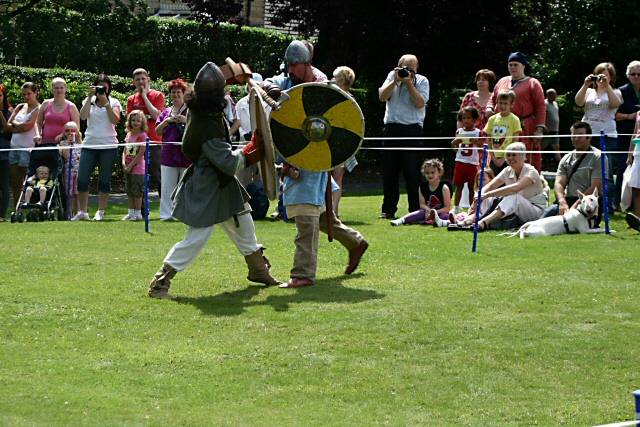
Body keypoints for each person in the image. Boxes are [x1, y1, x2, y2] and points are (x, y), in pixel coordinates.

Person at [148, 62, 281, 299]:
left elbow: (223, 76)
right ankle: (160, 282)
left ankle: (259, 271)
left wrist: (247, 80)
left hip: (222, 184)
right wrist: (249, 152)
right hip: (207, 185)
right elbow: (227, 162)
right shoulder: (206, 122)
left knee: (245, 224)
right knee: (197, 238)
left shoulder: (202, 109)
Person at [267, 40, 368, 289]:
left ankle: (303, 274)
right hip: (298, 155)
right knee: (321, 217)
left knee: (305, 216)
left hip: (315, 157)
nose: (290, 70)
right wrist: (268, 87)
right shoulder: (288, 81)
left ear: (306, 64)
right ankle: (355, 242)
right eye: (288, 65)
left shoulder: (322, 85)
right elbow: (269, 85)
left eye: (295, 65)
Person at [378, 54, 430, 219]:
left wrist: (408, 83)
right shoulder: (391, 77)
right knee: (389, 172)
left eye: (412, 69)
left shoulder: (422, 81)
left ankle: (415, 209)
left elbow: (420, 103)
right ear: (398, 67)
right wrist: (395, 80)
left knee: (413, 173)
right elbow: (382, 96)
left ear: (417, 68)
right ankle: (388, 209)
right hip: (392, 129)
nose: (408, 72)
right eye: (405, 68)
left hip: (412, 130)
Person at [575, 62, 622, 214]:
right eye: (599, 74)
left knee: (605, 171)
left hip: (607, 135)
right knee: (585, 168)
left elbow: (615, 104)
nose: (601, 78)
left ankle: (607, 206)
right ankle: (585, 204)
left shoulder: (615, 92)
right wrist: (585, 84)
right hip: (588, 135)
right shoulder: (589, 91)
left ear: (611, 77)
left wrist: (607, 86)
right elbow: (578, 102)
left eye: (605, 75)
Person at [73, 74, 122, 221]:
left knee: (104, 180)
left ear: (109, 87)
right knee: (81, 179)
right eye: (99, 85)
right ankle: (82, 211)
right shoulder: (89, 101)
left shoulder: (114, 102)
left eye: (104, 85)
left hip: (108, 146)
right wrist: (89, 98)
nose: (102, 88)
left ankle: (101, 211)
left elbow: (115, 120)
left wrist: (106, 104)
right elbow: (83, 116)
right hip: (89, 145)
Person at [487, 52, 546, 171]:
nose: (512, 67)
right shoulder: (502, 81)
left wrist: (539, 130)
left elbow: (540, 106)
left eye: (515, 64)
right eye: (510, 65)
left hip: (523, 127)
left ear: (523, 66)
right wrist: (489, 108)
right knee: (498, 155)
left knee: (521, 157)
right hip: (501, 126)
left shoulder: (533, 83)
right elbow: (492, 98)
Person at [470, 142, 546, 231]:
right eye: (508, 155)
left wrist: (487, 194)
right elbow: (491, 185)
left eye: (514, 155)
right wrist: (478, 196)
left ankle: (484, 222)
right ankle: (470, 219)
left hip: (536, 212)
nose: (510, 158)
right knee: (486, 195)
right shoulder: (507, 170)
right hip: (516, 210)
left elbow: (515, 188)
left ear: (522, 156)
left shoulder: (531, 172)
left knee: (513, 197)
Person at [547, 121, 603, 227]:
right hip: (567, 200)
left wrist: (576, 205)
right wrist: (562, 202)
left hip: (587, 203)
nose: (576, 138)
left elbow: (596, 186)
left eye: (580, 135)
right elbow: (559, 183)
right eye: (573, 135)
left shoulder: (598, 157)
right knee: (544, 218)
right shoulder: (566, 159)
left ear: (589, 137)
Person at [155, 78, 191, 221]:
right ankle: (166, 214)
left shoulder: (190, 111)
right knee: (167, 186)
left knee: (185, 186)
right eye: (173, 92)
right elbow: (157, 131)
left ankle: (184, 213)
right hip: (168, 153)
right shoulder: (166, 111)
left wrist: (185, 121)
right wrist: (167, 121)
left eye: (178, 92)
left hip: (186, 153)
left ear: (183, 94)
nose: (175, 95)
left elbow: (197, 129)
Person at [126, 68, 165, 197]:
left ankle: (166, 209)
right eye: (137, 80)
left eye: (143, 78)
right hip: (134, 143)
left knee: (159, 176)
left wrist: (144, 96)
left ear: (148, 79)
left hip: (154, 142)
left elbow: (157, 116)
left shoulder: (157, 95)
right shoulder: (131, 99)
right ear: (133, 82)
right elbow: (130, 121)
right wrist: (146, 117)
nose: (141, 82)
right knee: (134, 175)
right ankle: (137, 210)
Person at [330, 65, 359, 218]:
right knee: (335, 178)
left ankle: (333, 211)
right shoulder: (348, 99)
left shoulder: (347, 100)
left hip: (338, 143)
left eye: (334, 77)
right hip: (337, 142)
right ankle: (332, 211)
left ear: (340, 80)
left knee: (336, 177)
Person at [6, 82, 40, 206]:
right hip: (13, 148)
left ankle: (30, 206)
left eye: (29, 94)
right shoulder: (20, 106)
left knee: (29, 181)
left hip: (28, 149)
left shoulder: (39, 108)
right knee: (15, 182)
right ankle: (17, 207)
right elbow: (7, 126)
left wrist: (16, 125)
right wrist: (18, 127)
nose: (26, 97)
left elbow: (28, 126)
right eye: (24, 94)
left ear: (36, 93)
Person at [390, 158, 451, 226]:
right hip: (427, 212)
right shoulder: (422, 187)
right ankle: (400, 220)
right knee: (420, 212)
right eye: (427, 173)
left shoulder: (444, 187)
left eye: (432, 172)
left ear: (439, 172)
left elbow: (447, 208)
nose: (430, 175)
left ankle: (440, 222)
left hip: (440, 213)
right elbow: (422, 204)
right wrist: (427, 209)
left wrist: (434, 213)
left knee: (445, 216)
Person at [615, 60, 640, 212]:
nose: (636, 77)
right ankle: (620, 202)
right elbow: (614, 115)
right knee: (623, 168)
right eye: (633, 74)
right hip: (625, 136)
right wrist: (631, 116)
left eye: (639, 74)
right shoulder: (621, 91)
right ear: (628, 75)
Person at [451, 106, 483, 212]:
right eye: (464, 118)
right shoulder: (459, 131)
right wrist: (454, 143)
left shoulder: (478, 132)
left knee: (471, 187)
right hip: (460, 162)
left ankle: (471, 208)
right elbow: (454, 147)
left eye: (468, 118)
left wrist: (476, 141)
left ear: (474, 119)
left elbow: (482, 146)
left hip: (472, 163)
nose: (466, 120)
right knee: (458, 186)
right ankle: (456, 207)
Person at [484, 90, 522, 175]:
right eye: (500, 103)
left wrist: (505, 157)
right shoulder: (492, 119)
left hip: (509, 159)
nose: (502, 106)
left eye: (505, 103)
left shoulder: (515, 120)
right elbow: (488, 140)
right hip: (493, 158)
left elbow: (515, 141)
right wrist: (493, 157)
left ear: (511, 104)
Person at [122, 110, 148, 221]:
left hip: (138, 168)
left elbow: (141, 153)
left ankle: (138, 213)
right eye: (133, 120)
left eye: (138, 120)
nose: (135, 122)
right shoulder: (128, 134)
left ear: (142, 122)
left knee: (137, 191)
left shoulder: (142, 135)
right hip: (127, 167)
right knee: (129, 190)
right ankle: (131, 212)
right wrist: (123, 163)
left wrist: (131, 165)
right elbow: (125, 150)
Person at [59, 121, 82, 216]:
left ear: (77, 132)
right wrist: (68, 144)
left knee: (78, 193)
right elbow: (66, 156)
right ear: (64, 132)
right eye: (67, 130)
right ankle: (69, 213)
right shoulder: (63, 143)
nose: (70, 132)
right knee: (69, 193)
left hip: (79, 171)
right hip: (68, 172)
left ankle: (79, 212)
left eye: (73, 130)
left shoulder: (81, 143)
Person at [0, 84, 13, 221]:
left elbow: (7, 130)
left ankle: (1, 215)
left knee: (4, 186)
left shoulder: (9, 112)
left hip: (3, 154)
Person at [625, 113, 640, 232]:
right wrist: (630, 154)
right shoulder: (639, 113)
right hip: (638, 153)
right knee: (635, 188)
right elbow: (634, 134)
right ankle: (637, 219)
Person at [543, 88, 561, 169]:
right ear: (549, 95)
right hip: (547, 131)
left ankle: (561, 166)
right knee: (541, 147)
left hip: (555, 130)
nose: (555, 96)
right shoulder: (544, 103)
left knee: (557, 148)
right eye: (554, 94)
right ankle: (539, 164)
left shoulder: (555, 103)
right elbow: (542, 115)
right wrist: (544, 126)